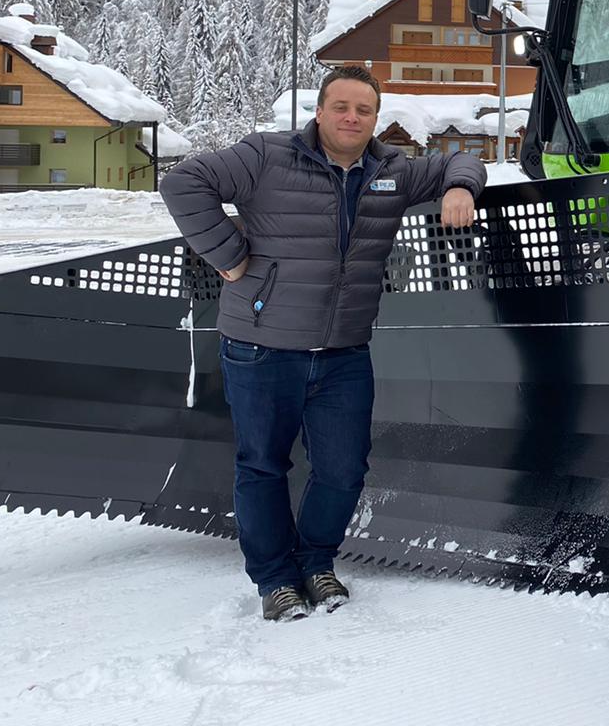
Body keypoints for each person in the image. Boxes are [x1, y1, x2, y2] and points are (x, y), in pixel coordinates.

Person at [161, 65, 486, 622]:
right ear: (319, 110)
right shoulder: (266, 156)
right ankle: (275, 580)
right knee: (263, 465)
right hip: (261, 347)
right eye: (341, 107)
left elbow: (463, 158)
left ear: (376, 118)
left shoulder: (392, 172)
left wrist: (460, 186)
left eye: (364, 110)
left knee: (343, 469)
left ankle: (316, 562)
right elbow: (182, 182)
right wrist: (230, 259)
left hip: (343, 353)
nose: (352, 117)